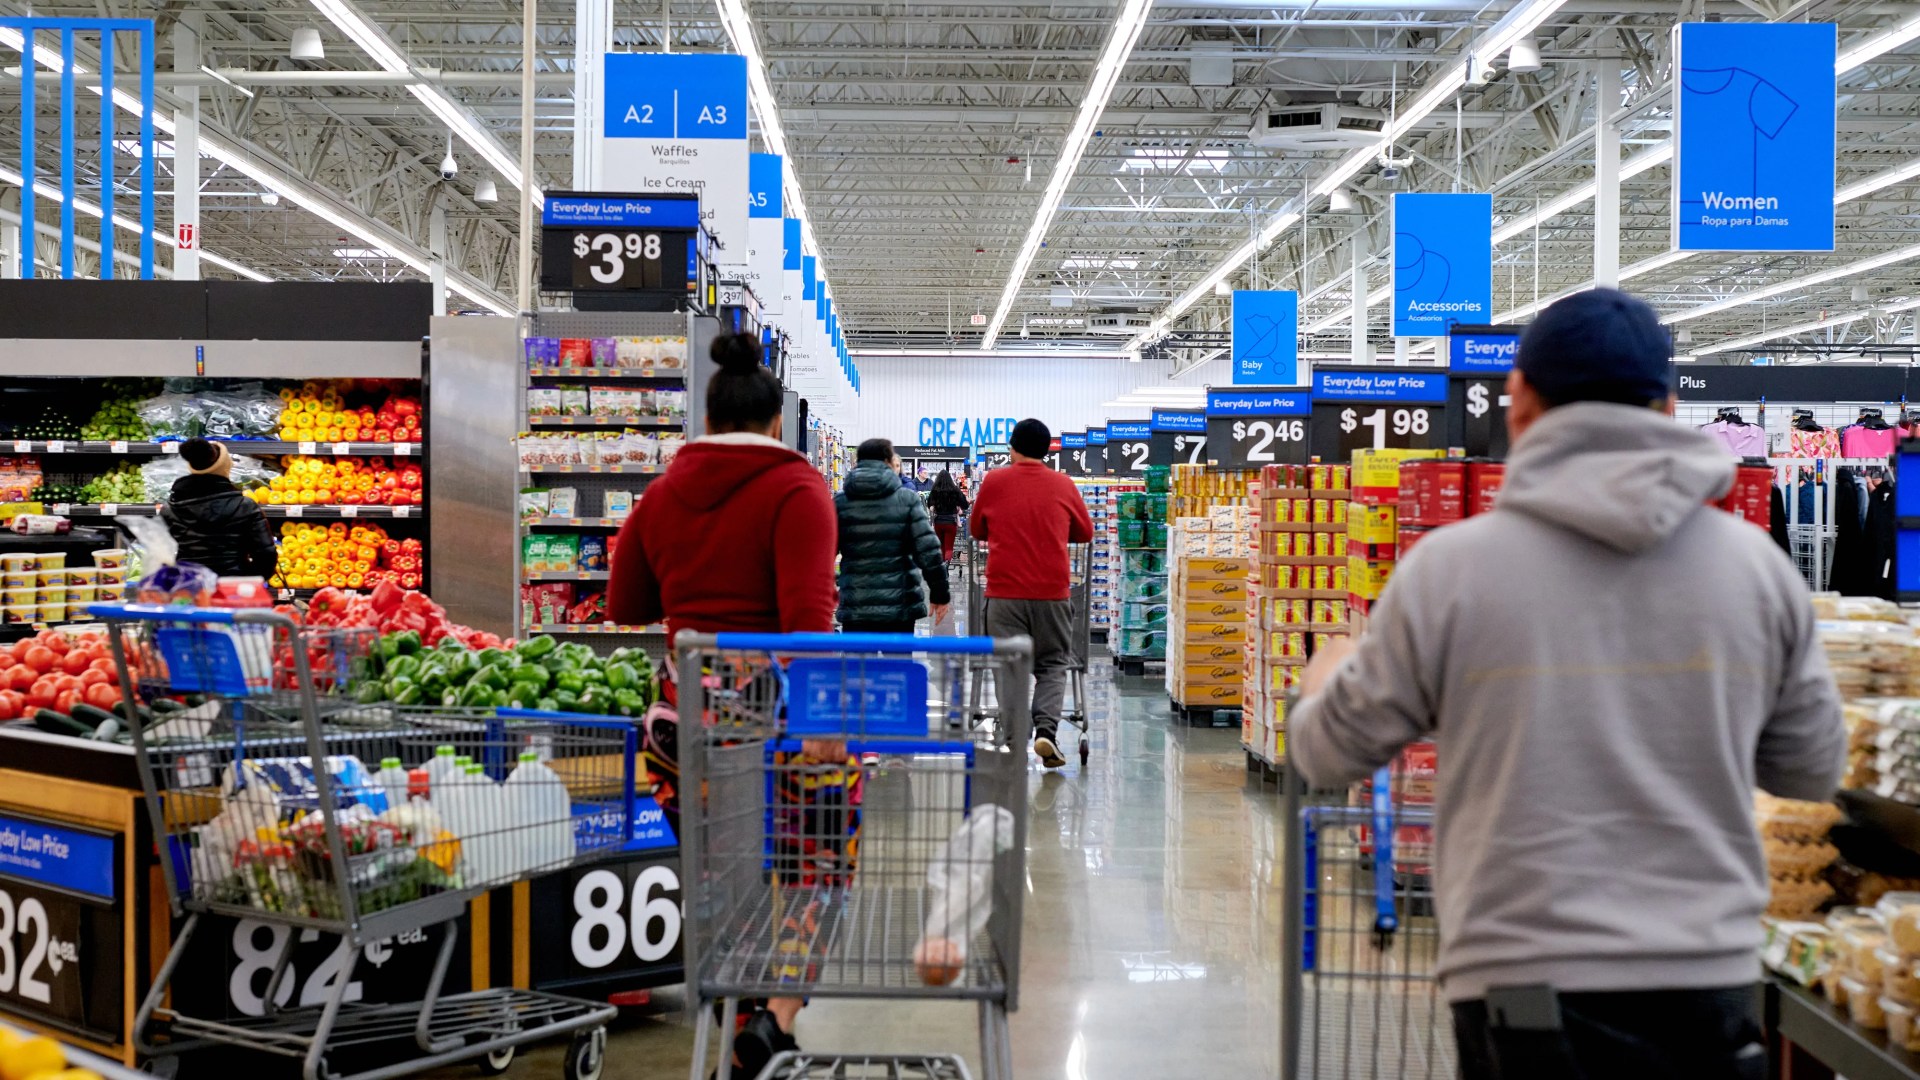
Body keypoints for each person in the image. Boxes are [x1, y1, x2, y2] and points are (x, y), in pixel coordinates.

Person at [1288, 288, 1846, 1078]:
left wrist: (1328, 669)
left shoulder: (1450, 570)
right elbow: (1811, 770)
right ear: (1669, 406)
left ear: (1519, 405)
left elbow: (1327, 753)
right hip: (1706, 981)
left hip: (1521, 985)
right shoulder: (1760, 570)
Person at [608, 332, 846, 1078]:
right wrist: (822, 725)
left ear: (707, 420)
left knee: (718, 869)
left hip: (682, 720)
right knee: (822, 860)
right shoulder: (798, 489)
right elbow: (809, 618)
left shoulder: (661, 494)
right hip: (773, 715)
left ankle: (736, 1003)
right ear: (777, 423)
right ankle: (773, 1018)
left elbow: (624, 603)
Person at [969, 418, 1093, 768]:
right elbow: (1084, 532)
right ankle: (1046, 732)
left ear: (1012, 447)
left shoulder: (994, 481)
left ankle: (1012, 738)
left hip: (1004, 593)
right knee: (1053, 663)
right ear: (1046, 452)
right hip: (1052, 593)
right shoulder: (1063, 483)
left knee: (1008, 666)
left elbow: (977, 527)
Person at [835, 438, 951, 634]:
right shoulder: (907, 500)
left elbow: (820, 554)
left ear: (857, 462)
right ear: (889, 462)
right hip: (901, 606)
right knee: (899, 664)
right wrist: (939, 595)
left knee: (859, 664)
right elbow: (928, 551)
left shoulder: (840, 503)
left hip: (856, 604)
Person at [160, 437, 278, 578]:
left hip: (188, 587)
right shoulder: (245, 507)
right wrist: (249, 579)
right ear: (225, 468)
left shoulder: (170, 509)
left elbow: (160, 555)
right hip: (234, 589)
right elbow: (266, 556)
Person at [928, 469, 970, 562]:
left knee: (941, 546)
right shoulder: (955, 490)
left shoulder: (935, 490)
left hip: (938, 522)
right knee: (949, 548)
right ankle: (946, 564)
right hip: (951, 522)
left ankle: (942, 566)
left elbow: (929, 504)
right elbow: (965, 505)